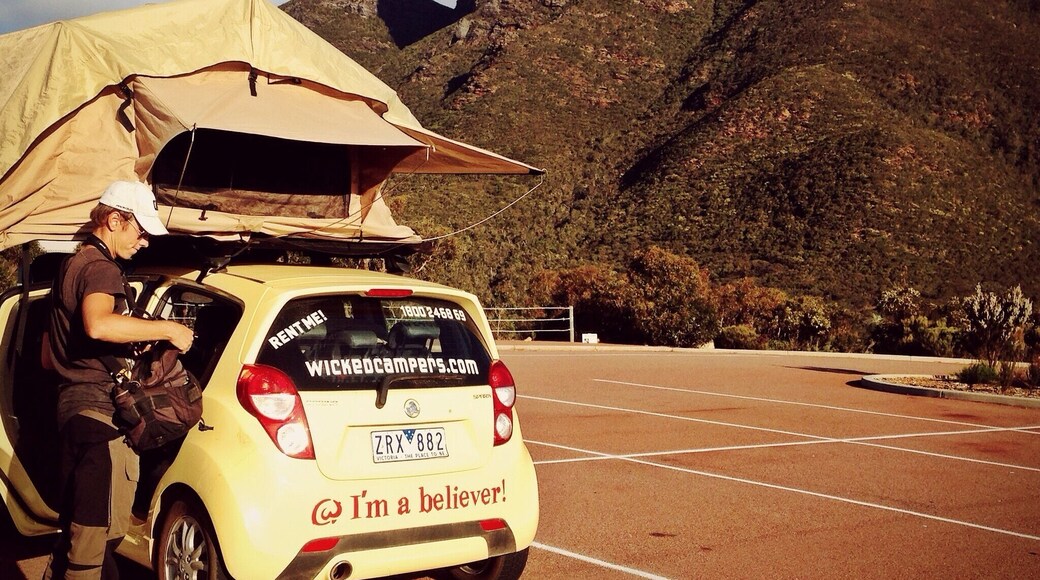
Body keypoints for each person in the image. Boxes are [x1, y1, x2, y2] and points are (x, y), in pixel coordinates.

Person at [44, 181, 194, 579]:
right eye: (140, 231)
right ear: (114, 220)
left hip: (72, 412)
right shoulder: (101, 268)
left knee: (77, 537)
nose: (144, 242)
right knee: (94, 544)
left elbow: (47, 353)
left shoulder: (72, 265)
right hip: (101, 420)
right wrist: (167, 329)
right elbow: (98, 324)